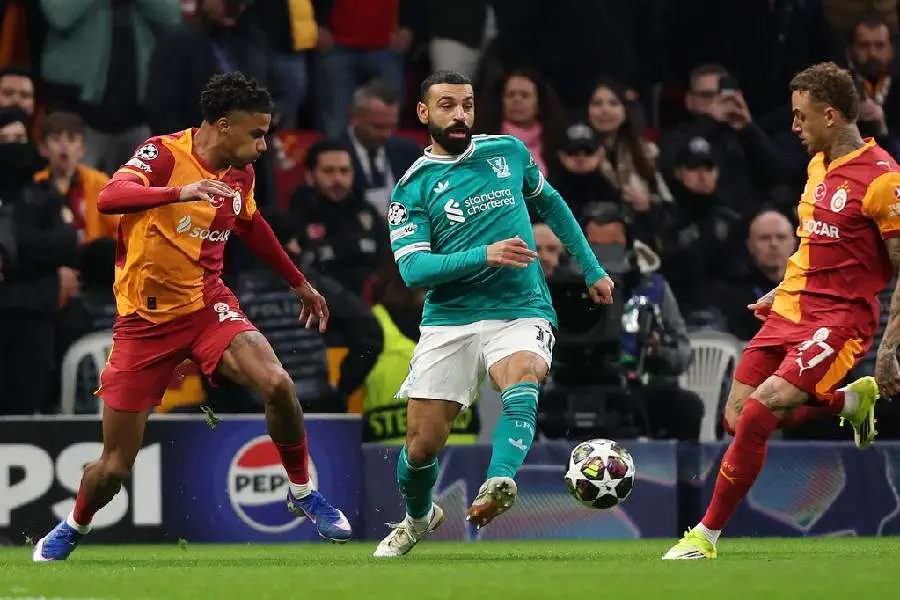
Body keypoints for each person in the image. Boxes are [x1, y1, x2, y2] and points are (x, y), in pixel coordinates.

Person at [32, 72, 352, 563]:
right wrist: (179, 192)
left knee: (278, 384)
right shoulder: (162, 155)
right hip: (142, 324)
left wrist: (298, 282)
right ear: (223, 125)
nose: (263, 146)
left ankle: (303, 491)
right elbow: (109, 198)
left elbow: (251, 224)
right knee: (114, 468)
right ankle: (75, 523)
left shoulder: (241, 173)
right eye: (256, 134)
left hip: (207, 307)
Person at [662, 62, 900, 560]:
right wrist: (781, 289)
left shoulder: (883, 179)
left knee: (760, 411)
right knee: (735, 417)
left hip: (840, 321)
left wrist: (887, 351)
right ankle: (849, 403)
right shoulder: (817, 167)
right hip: (791, 310)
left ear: (830, 115)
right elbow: (816, 248)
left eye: (800, 116)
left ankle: (704, 536)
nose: (793, 127)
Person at [374, 70, 614, 557]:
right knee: (420, 447)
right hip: (450, 318)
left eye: (466, 104)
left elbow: (553, 205)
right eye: (446, 105)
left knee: (522, 378)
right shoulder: (412, 188)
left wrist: (592, 267)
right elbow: (414, 270)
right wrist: (484, 254)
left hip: (520, 306)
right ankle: (418, 518)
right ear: (423, 113)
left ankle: (499, 480)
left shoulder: (507, 151)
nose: (459, 114)